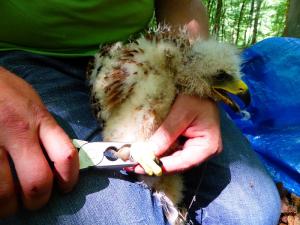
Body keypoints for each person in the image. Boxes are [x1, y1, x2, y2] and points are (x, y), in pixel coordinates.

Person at [0, 0, 280, 224]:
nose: (239, 89)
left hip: (143, 56)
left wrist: (197, 73)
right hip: (19, 66)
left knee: (250, 214)